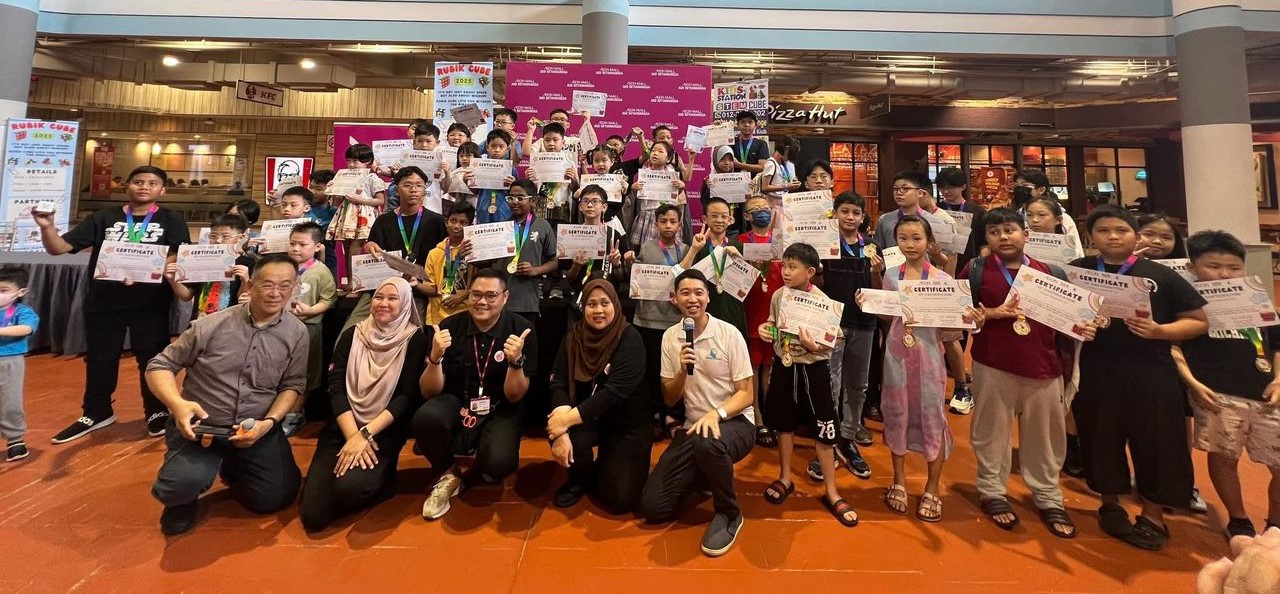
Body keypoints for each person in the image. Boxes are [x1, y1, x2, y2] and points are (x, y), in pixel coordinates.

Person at [1069, 205, 1208, 551]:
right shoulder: (1078, 271)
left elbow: (1197, 321)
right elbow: (1059, 312)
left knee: (1157, 439)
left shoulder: (1159, 275)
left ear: (1136, 236)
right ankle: (1110, 503)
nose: (1113, 237)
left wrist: (1160, 331)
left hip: (1151, 370)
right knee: (1100, 435)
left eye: (1121, 230)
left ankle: (1153, 514)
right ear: (1090, 236)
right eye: (1103, 231)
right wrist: (1075, 326)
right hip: (1097, 369)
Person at [146, 254, 309, 535]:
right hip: (201, 429)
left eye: (285, 286)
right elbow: (160, 365)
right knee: (179, 485)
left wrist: (269, 423)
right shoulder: (210, 325)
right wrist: (177, 404)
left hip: (255, 427)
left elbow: (292, 385)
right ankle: (180, 502)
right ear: (250, 285)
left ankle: (235, 463)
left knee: (275, 498)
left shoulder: (297, 333)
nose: (276, 293)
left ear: (294, 287)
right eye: (268, 284)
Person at [962, 207, 1096, 539]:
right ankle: (992, 491)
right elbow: (960, 314)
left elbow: (1069, 320)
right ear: (986, 238)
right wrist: (989, 314)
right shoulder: (976, 270)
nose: (1003, 237)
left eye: (1009, 230)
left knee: (1045, 438)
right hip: (992, 364)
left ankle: (1049, 497)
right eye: (994, 232)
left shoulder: (1051, 273)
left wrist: (1084, 327)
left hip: (1044, 367)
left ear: (1025, 234)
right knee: (991, 433)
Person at [35, 165, 191, 442]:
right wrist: (47, 227)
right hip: (104, 299)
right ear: (127, 185)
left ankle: (156, 411)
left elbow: (178, 253)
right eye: (138, 181)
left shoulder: (172, 219)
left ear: (162, 190)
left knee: (152, 357)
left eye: (152, 183)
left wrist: (144, 268)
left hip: (150, 302)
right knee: (100, 357)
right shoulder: (103, 217)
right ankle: (96, 411)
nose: (144, 186)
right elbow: (59, 248)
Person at [639, 269, 756, 557]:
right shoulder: (671, 337)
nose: (693, 299)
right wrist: (681, 371)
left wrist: (716, 413)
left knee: (708, 442)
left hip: (736, 422)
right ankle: (704, 472)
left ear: (708, 297)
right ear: (674, 298)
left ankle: (730, 513)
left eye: (698, 292)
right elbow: (670, 397)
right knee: (653, 507)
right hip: (694, 427)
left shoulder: (729, 333)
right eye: (685, 293)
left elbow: (746, 394)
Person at [299, 277, 429, 531]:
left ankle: (384, 480)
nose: (383, 303)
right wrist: (354, 436)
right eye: (378, 297)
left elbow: (406, 396)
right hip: (344, 426)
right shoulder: (353, 334)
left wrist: (366, 434)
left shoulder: (415, 339)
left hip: (382, 430)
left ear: (405, 303)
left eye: (393, 298)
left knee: (350, 489)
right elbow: (336, 387)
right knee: (313, 516)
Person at [1173, 230, 1280, 539]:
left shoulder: (1256, 300)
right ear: (1192, 267)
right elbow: (1173, 346)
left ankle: (1275, 522)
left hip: (1266, 394)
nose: (1224, 274)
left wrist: (1278, 379)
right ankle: (1238, 518)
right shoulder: (1187, 305)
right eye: (1213, 266)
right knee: (1224, 458)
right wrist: (1193, 383)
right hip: (1216, 395)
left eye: (1234, 267)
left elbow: (1276, 344)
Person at [415, 268, 537, 520]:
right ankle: (448, 471)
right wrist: (435, 358)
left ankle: (476, 467)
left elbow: (515, 396)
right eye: (476, 294)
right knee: (426, 418)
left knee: (499, 464)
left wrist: (515, 362)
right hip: (458, 402)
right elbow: (428, 391)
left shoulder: (522, 329)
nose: (482, 302)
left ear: (505, 297)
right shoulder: (448, 327)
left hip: (501, 406)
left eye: (491, 295)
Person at [756, 244, 858, 527]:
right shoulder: (779, 295)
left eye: (793, 267)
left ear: (810, 272)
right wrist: (766, 329)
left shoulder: (823, 301)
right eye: (784, 266)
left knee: (824, 429)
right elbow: (773, 324)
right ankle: (785, 477)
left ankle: (832, 490)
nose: (786, 273)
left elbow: (833, 339)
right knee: (784, 425)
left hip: (814, 370)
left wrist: (815, 346)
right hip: (784, 367)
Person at [865, 215, 955, 522]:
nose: (910, 244)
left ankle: (932, 487)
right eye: (903, 238)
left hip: (928, 357)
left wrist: (968, 316)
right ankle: (899, 480)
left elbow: (950, 329)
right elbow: (886, 317)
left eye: (917, 238)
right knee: (897, 413)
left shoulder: (942, 281)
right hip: (896, 354)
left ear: (929, 241)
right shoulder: (892, 275)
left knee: (932, 416)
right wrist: (872, 293)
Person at [546, 279, 651, 512]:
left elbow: (614, 393)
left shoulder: (630, 338)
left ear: (615, 304)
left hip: (626, 424)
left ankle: (606, 464)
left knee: (620, 500)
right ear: (583, 307)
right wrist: (561, 429)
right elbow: (558, 382)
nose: (599, 310)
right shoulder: (573, 336)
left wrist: (564, 421)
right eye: (592, 304)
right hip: (587, 418)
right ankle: (578, 480)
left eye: (605, 303)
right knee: (571, 436)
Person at [814, 191, 878, 478]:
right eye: (845, 211)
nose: (850, 217)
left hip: (864, 323)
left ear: (862, 217)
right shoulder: (824, 245)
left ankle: (848, 438)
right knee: (831, 383)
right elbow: (816, 285)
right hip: (832, 323)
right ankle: (827, 440)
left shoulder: (872, 248)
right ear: (835, 214)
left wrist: (876, 272)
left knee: (858, 384)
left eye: (855, 213)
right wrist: (817, 271)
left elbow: (879, 289)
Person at [346, 166, 449, 330]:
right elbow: (373, 247)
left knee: (413, 333)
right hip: (384, 288)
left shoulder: (437, 221)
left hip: (418, 291)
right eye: (407, 185)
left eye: (419, 185)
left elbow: (447, 257)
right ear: (396, 188)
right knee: (352, 331)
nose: (413, 190)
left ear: (425, 189)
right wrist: (370, 245)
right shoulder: (383, 221)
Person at [632, 204, 695, 437]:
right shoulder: (647, 248)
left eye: (673, 221)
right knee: (651, 370)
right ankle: (655, 414)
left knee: (676, 370)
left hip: (675, 321)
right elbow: (636, 280)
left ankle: (673, 415)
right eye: (663, 221)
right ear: (656, 224)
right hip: (648, 319)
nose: (668, 226)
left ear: (679, 225)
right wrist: (629, 263)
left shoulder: (687, 250)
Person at [737, 194, 782, 448]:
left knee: (771, 367)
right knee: (753, 367)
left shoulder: (781, 240)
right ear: (746, 216)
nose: (762, 212)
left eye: (766, 208)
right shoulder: (740, 241)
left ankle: (773, 414)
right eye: (756, 209)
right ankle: (757, 417)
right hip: (751, 310)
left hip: (776, 312)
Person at [285, 222, 337, 435]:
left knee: (305, 372)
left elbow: (329, 299)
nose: (295, 248)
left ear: (317, 247)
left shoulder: (321, 272)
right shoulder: (283, 266)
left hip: (308, 329)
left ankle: (294, 414)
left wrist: (311, 310)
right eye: (292, 243)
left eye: (302, 244)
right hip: (280, 327)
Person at [165, 213, 254, 322]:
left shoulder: (247, 263)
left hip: (230, 324)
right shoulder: (200, 260)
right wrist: (172, 280)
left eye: (225, 236)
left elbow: (243, 300)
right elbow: (186, 296)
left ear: (240, 237)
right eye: (213, 236)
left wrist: (245, 280)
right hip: (199, 322)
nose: (218, 240)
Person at [491, 180, 557, 323]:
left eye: (520, 198)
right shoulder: (499, 228)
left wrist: (536, 270)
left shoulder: (543, 226)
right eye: (511, 198)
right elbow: (487, 262)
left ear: (532, 201)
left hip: (528, 301)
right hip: (499, 302)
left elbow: (554, 261)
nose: (515, 202)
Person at [327, 143, 387, 289]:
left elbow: (380, 200)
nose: (351, 165)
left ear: (367, 161)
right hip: (347, 215)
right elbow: (337, 201)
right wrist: (333, 189)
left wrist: (360, 200)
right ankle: (350, 283)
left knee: (355, 251)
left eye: (355, 161)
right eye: (348, 161)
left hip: (364, 217)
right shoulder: (344, 177)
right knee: (347, 251)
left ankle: (358, 284)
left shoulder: (372, 178)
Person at [0, 267, 38, 462]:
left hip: (10, 361)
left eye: (4, 290)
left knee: (10, 401)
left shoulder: (22, 312)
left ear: (20, 292)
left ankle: (15, 440)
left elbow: (26, 328)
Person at [423, 204, 475, 325]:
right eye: (453, 221)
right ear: (446, 222)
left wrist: (464, 294)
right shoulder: (434, 253)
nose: (456, 226)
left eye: (463, 223)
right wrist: (415, 283)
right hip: (437, 318)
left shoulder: (474, 251)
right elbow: (432, 288)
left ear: (470, 226)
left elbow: (482, 283)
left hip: (466, 315)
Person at [468, 130, 518, 225]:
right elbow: (476, 191)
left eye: (501, 147)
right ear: (487, 147)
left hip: (504, 210)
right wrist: (467, 181)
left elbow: (517, 193)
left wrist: (513, 185)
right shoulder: (479, 167)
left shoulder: (511, 169)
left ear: (507, 149)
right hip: (483, 209)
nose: (497, 150)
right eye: (493, 146)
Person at [1014, 169, 1079, 241]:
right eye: (1016, 185)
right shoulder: (1015, 216)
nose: (1019, 189)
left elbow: (1074, 246)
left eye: (1025, 185)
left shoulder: (1062, 218)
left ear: (1041, 190)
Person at [702, 146, 744, 235]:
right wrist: (708, 189)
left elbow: (744, 203)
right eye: (722, 159)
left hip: (735, 227)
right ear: (716, 160)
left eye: (730, 159)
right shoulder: (708, 180)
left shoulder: (740, 180)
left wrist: (748, 188)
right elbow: (703, 201)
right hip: (714, 227)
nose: (727, 163)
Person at [731, 110, 769, 175]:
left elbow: (762, 167)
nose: (746, 125)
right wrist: (717, 128)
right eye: (742, 122)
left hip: (754, 181)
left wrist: (739, 165)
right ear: (737, 125)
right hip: (734, 180)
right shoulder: (731, 142)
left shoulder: (761, 144)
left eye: (750, 122)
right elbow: (719, 160)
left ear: (756, 125)